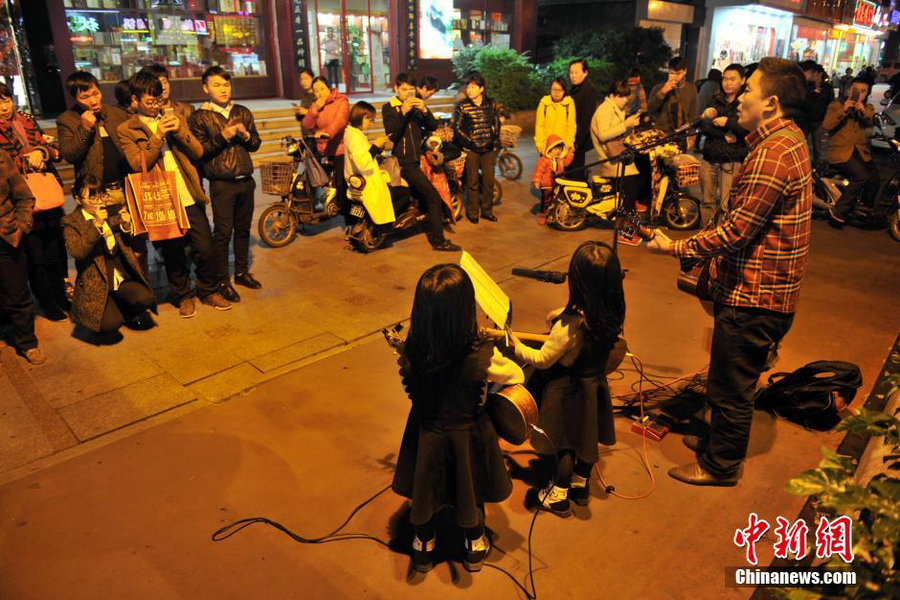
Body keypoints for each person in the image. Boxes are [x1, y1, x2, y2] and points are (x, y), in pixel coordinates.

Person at [644, 57, 812, 487]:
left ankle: (720, 466)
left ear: (771, 103)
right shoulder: (786, 139)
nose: (737, 98)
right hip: (765, 290)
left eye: (748, 91)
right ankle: (718, 445)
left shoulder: (773, 154)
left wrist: (673, 246)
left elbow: (737, 230)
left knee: (732, 389)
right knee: (729, 379)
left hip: (755, 295)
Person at [392, 264, 524, 572]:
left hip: (426, 430)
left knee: (425, 486)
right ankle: (473, 544)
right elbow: (516, 374)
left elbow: (410, 388)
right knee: (470, 485)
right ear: (465, 309)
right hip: (468, 434)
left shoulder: (411, 351)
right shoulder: (481, 356)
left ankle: (423, 545)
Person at [510, 241, 625, 516]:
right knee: (586, 437)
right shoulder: (613, 311)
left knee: (564, 444)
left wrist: (516, 345)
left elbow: (542, 359)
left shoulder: (569, 326)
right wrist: (561, 315)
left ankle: (558, 495)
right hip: (593, 385)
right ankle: (579, 487)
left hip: (567, 390)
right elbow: (585, 320)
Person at [117, 71, 231, 317]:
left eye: (158, 100)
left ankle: (208, 290)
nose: (155, 106)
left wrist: (179, 130)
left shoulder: (174, 116)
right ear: (135, 100)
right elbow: (138, 163)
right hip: (160, 197)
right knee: (173, 251)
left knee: (205, 246)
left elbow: (198, 151)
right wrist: (157, 136)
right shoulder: (126, 129)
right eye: (150, 102)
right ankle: (183, 295)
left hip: (186, 191)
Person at [56, 72, 143, 275]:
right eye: (85, 97)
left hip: (124, 188)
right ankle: (114, 290)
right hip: (97, 195)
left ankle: (140, 286)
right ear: (74, 98)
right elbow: (69, 154)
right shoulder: (67, 120)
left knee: (135, 241)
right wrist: (85, 129)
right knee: (106, 243)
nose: (93, 100)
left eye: (95, 93)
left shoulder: (115, 114)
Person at [189, 66, 262, 304]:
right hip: (222, 184)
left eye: (226, 84)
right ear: (205, 88)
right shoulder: (199, 117)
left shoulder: (242, 111)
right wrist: (224, 136)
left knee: (243, 230)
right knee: (222, 234)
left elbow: (255, 144)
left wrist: (246, 136)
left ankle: (241, 272)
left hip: (246, 181)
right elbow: (201, 152)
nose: (223, 89)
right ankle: (222, 280)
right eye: (217, 85)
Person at [0, 83, 68, 321]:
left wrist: (43, 152)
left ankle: (61, 296)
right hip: (20, 201)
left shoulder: (26, 120)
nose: (4, 107)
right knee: (35, 256)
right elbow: (3, 167)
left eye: (6, 100)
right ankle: (47, 302)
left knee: (55, 252)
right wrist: (27, 160)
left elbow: (53, 150)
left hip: (46, 194)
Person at [62, 175, 156, 335]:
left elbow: (135, 241)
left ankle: (122, 306)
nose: (99, 201)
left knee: (145, 298)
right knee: (111, 324)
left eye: (101, 195)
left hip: (119, 276)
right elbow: (78, 252)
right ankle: (108, 306)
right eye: (92, 197)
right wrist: (97, 224)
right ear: (78, 199)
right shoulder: (71, 222)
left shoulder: (111, 211)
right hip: (96, 283)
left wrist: (127, 224)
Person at [382, 73, 459, 251]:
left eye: (411, 89)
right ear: (396, 89)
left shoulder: (417, 105)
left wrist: (424, 109)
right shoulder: (389, 108)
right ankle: (439, 241)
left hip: (417, 160)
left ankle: (425, 225)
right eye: (403, 89)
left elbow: (432, 126)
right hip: (405, 163)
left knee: (421, 197)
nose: (407, 93)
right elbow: (392, 134)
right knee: (433, 198)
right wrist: (403, 113)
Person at [823, 77, 888, 227]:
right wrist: (844, 109)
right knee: (861, 176)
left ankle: (863, 209)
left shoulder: (868, 108)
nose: (858, 94)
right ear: (848, 90)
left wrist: (862, 111)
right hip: (840, 152)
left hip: (860, 152)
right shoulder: (836, 105)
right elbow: (827, 125)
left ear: (867, 94)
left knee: (874, 179)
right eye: (855, 90)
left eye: (863, 91)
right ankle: (839, 211)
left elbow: (869, 122)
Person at [0, 147, 44, 364]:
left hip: (6, 235)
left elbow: (24, 197)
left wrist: (21, 226)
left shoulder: (1, 157)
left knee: (17, 294)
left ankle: (28, 342)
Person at [697, 63, 749, 225]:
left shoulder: (744, 103)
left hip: (731, 160)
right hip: (710, 156)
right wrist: (722, 133)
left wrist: (727, 122)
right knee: (707, 202)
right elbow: (703, 125)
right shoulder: (716, 99)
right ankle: (706, 234)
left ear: (742, 80)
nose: (727, 83)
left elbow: (746, 128)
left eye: (732, 79)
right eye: (725, 79)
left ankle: (722, 239)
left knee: (727, 205)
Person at [343, 101, 408, 215]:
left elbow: (363, 154)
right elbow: (362, 162)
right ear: (360, 117)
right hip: (368, 185)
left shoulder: (353, 133)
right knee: (405, 192)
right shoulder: (355, 137)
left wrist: (378, 147)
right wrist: (375, 146)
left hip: (361, 182)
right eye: (370, 120)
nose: (371, 124)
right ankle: (385, 227)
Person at [453, 72, 501, 223]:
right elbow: (457, 127)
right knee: (472, 182)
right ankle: (473, 213)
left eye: (473, 87)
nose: (469, 89)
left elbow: (496, 122)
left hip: (488, 150)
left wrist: (494, 138)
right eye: (468, 86)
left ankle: (487, 211)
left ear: (481, 89)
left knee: (488, 182)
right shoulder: (462, 105)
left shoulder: (490, 103)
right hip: (472, 150)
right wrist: (469, 142)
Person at [590, 80, 643, 215]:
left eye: (626, 96)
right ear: (613, 95)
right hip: (611, 159)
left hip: (618, 156)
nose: (625, 100)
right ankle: (625, 224)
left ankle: (626, 218)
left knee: (633, 186)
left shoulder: (614, 109)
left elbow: (617, 131)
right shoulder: (604, 110)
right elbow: (603, 135)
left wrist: (630, 125)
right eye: (622, 96)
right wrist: (626, 124)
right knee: (631, 190)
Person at [301, 76, 350, 217]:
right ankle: (317, 206)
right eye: (316, 91)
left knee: (342, 184)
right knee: (311, 175)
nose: (320, 93)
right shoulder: (316, 104)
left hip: (339, 148)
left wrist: (328, 133)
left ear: (329, 88)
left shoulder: (341, 101)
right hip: (323, 148)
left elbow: (340, 121)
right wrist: (314, 109)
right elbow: (307, 125)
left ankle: (347, 216)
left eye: (322, 89)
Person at [648, 56, 699, 147]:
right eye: (672, 73)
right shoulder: (658, 88)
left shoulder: (691, 89)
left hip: (681, 136)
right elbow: (650, 109)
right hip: (660, 135)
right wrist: (662, 92)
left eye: (678, 73)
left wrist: (691, 136)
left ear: (685, 71)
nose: (675, 77)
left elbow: (693, 115)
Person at [796, 61, 833, 165]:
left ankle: (818, 165)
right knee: (801, 143)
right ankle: (801, 163)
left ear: (820, 74)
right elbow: (803, 101)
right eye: (812, 73)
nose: (813, 75)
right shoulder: (807, 86)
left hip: (819, 121)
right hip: (805, 120)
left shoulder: (827, 88)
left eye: (815, 73)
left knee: (817, 145)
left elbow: (830, 103)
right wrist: (814, 92)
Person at [532, 135, 573, 225]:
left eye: (560, 149)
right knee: (545, 201)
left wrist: (570, 153)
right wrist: (537, 181)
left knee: (555, 200)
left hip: (557, 184)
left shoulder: (560, 160)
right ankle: (543, 215)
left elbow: (567, 162)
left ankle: (552, 214)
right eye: (555, 149)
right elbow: (539, 171)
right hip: (547, 185)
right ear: (549, 149)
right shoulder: (544, 160)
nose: (558, 151)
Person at [568, 59, 599, 173]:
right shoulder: (574, 89)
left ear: (585, 73)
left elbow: (586, 120)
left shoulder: (589, 90)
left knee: (576, 171)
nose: (573, 76)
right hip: (571, 138)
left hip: (578, 141)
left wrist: (576, 142)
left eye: (576, 72)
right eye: (571, 72)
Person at [534, 77, 576, 156]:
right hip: (547, 147)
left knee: (562, 168)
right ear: (550, 90)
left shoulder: (569, 103)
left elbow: (571, 126)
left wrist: (568, 144)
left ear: (564, 91)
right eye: (554, 89)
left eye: (559, 90)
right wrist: (539, 144)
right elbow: (539, 125)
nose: (556, 93)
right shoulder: (544, 103)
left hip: (563, 148)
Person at [293, 68, 316, 135]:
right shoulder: (305, 96)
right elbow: (300, 118)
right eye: (301, 79)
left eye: (306, 79)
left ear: (312, 79)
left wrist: (306, 112)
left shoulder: (317, 96)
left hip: (315, 135)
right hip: (306, 135)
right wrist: (298, 112)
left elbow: (322, 116)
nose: (303, 82)